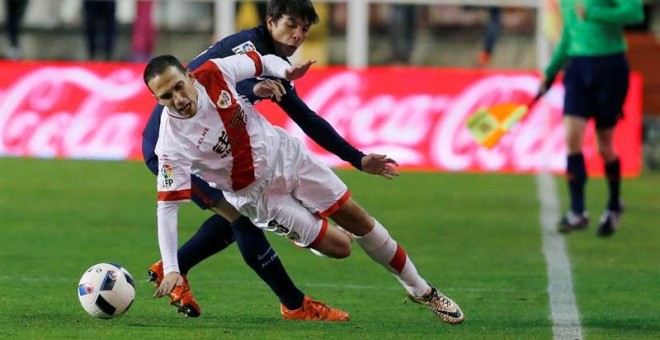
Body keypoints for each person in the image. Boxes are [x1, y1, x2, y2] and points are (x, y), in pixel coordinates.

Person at [143, 51, 465, 325]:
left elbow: (262, 60)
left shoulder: (215, 71)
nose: (178, 100)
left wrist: (285, 70)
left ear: (189, 75)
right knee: (342, 248)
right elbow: (167, 207)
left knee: (359, 220)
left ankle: (421, 290)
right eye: (166, 97)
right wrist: (172, 268)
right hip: (260, 199)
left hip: (289, 158)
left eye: (178, 87)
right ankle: (307, 231)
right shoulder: (171, 145)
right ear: (157, 100)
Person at [142, 0, 395, 320]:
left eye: (305, 29)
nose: (298, 36)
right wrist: (356, 159)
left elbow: (277, 95)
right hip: (169, 149)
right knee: (239, 214)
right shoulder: (246, 50)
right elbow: (295, 112)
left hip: (204, 139)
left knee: (243, 206)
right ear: (271, 21)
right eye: (291, 26)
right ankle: (293, 303)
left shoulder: (264, 56)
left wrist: (356, 159)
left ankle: (173, 266)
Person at [539, 0, 644, 237]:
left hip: (610, 65)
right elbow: (568, 33)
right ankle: (578, 211)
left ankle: (614, 204)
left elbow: (634, 12)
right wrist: (551, 72)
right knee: (572, 138)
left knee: (604, 144)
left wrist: (596, 12)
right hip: (577, 67)